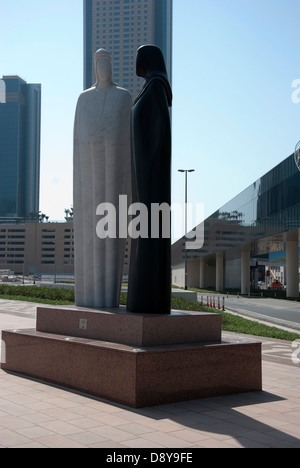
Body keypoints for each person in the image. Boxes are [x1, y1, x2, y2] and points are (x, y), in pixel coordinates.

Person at [74, 49, 132, 308]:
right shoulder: (84, 99)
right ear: (95, 69)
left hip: (115, 174)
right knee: (91, 227)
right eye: (99, 64)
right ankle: (89, 296)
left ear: (112, 67)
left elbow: (127, 136)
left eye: (107, 63)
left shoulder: (123, 97)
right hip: (91, 174)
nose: (103, 68)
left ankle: (109, 297)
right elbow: (80, 138)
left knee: (112, 228)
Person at [127, 45, 173, 315]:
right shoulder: (150, 87)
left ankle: (148, 299)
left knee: (148, 238)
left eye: (138, 56)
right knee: (143, 238)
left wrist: (148, 175)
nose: (135, 60)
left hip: (150, 179)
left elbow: (158, 138)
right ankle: (142, 297)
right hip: (143, 175)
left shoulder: (155, 88)